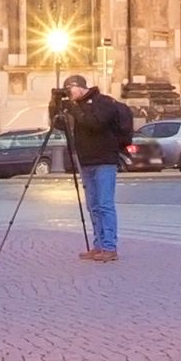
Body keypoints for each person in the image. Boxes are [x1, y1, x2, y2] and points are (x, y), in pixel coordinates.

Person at [58, 72, 138, 260]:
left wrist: (75, 108)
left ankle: (110, 247)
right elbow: (60, 125)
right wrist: (56, 106)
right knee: (93, 206)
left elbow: (95, 123)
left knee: (105, 205)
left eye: (70, 90)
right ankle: (98, 245)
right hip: (86, 162)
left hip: (104, 161)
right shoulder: (76, 107)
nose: (69, 94)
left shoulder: (103, 103)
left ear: (79, 86)